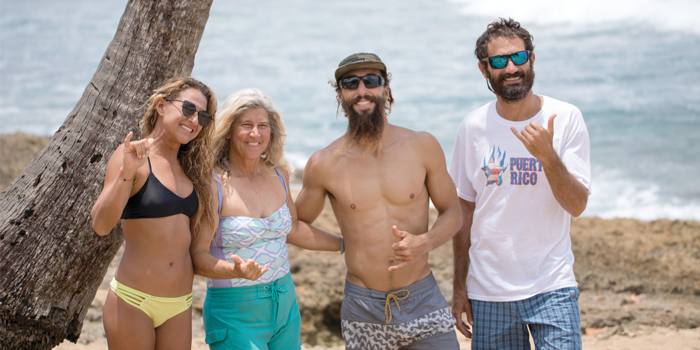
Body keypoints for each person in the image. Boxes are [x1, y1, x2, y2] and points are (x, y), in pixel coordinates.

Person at [295, 53, 462, 350]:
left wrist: (426, 241)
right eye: (350, 83)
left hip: (422, 298)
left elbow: (453, 211)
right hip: (363, 308)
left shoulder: (422, 146)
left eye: (371, 81)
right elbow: (294, 224)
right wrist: (342, 243)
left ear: (385, 90)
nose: (362, 90)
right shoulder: (324, 163)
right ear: (340, 95)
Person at [91, 77, 267, 349]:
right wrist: (126, 173)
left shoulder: (193, 170)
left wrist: (235, 269)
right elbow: (101, 225)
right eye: (188, 109)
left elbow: (197, 250)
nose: (194, 120)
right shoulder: (133, 156)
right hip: (134, 301)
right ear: (161, 106)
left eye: (203, 116)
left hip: (179, 306)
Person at [449, 18, 591, 349]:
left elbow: (577, 204)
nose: (511, 67)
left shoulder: (565, 117)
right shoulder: (473, 127)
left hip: (552, 286)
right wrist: (460, 288)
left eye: (519, 57)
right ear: (484, 70)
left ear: (532, 59)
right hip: (488, 292)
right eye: (499, 61)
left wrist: (548, 156)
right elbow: (463, 212)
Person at [190, 88, 342, 350]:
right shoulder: (212, 181)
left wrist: (345, 243)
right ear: (228, 130)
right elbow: (198, 255)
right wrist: (234, 270)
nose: (255, 134)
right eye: (246, 125)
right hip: (235, 309)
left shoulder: (279, 174)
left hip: (285, 302)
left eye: (263, 126)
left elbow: (293, 230)